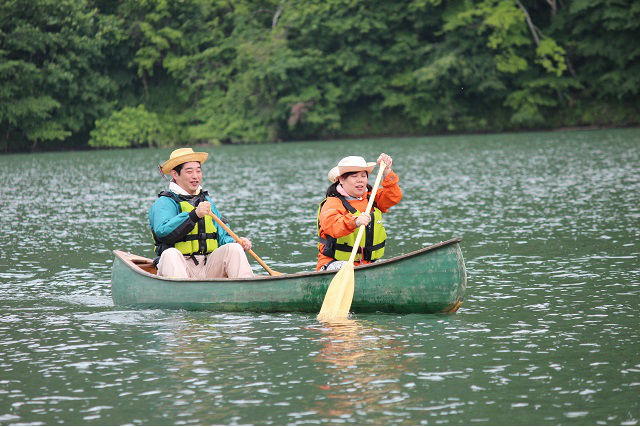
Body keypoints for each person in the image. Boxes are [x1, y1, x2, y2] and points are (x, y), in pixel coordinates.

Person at [149, 147, 254, 279]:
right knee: (170, 254)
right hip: (180, 267)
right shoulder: (164, 203)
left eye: (198, 171)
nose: (195, 176)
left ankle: (246, 290)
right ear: (175, 174)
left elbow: (222, 237)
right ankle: (181, 294)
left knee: (234, 249)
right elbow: (164, 233)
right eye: (189, 171)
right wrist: (193, 215)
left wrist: (237, 242)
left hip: (208, 266)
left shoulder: (206, 201)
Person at [316, 153, 402, 271]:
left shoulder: (373, 198)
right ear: (341, 179)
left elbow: (394, 196)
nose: (360, 180)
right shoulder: (332, 203)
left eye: (363, 176)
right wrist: (355, 221)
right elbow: (333, 226)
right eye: (354, 176)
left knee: (389, 266)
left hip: (366, 263)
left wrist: (386, 171)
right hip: (334, 263)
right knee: (348, 267)